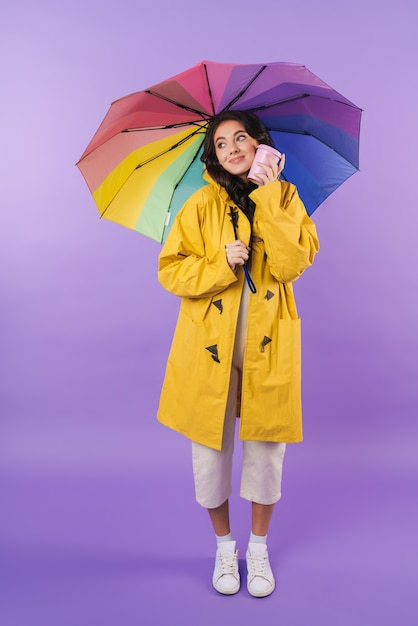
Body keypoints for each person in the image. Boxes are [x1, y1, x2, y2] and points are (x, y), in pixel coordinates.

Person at [157, 110, 319, 597]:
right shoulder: (201, 205)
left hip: (268, 345)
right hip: (208, 347)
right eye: (222, 143)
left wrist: (269, 196)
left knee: (267, 449)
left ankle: (259, 549)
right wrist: (218, 263)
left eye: (241, 137)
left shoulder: (287, 197)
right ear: (214, 155)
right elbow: (171, 272)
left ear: (259, 143)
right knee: (209, 450)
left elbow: (292, 265)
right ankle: (224, 547)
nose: (231, 148)